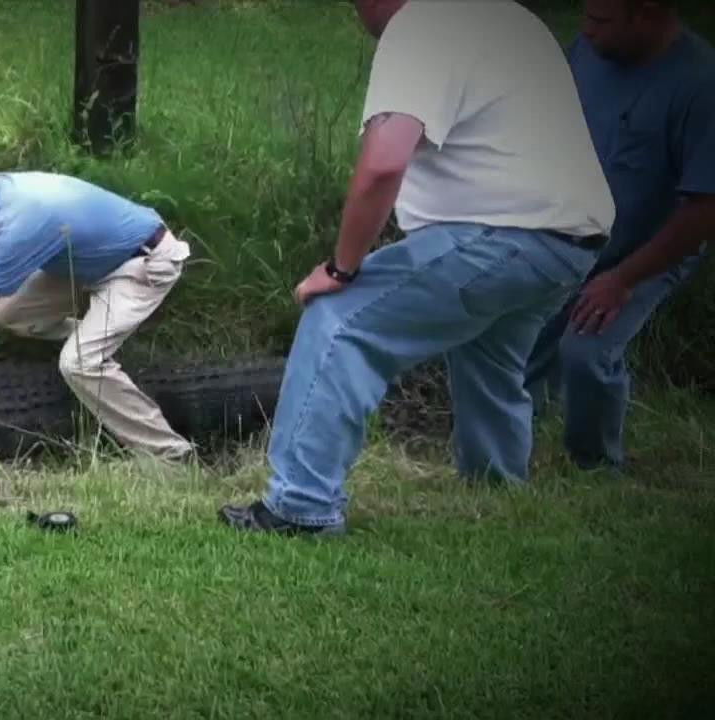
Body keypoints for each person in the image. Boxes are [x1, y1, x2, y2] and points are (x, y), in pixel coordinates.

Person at [218, 0, 616, 536]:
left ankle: (301, 507)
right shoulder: (503, 15)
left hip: (501, 233)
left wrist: (341, 269)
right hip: (568, 245)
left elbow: (384, 164)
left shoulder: (420, 25)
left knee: (339, 320)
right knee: (489, 357)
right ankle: (498, 497)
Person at [0, 140, 195, 460]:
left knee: (79, 363)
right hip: (82, 264)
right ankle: (99, 340)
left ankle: (170, 454)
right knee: (7, 314)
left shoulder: (20, 221)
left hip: (142, 261)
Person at [524, 0, 715, 470]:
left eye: (600, 21)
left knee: (586, 350)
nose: (586, 30)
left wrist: (623, 280)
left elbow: (704, 209)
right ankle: (506, 451)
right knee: (521, 335)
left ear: (647, 15)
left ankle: (594, 467)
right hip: (574, 233)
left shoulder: (699, 84)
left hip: (651, 249)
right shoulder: (589, 52)